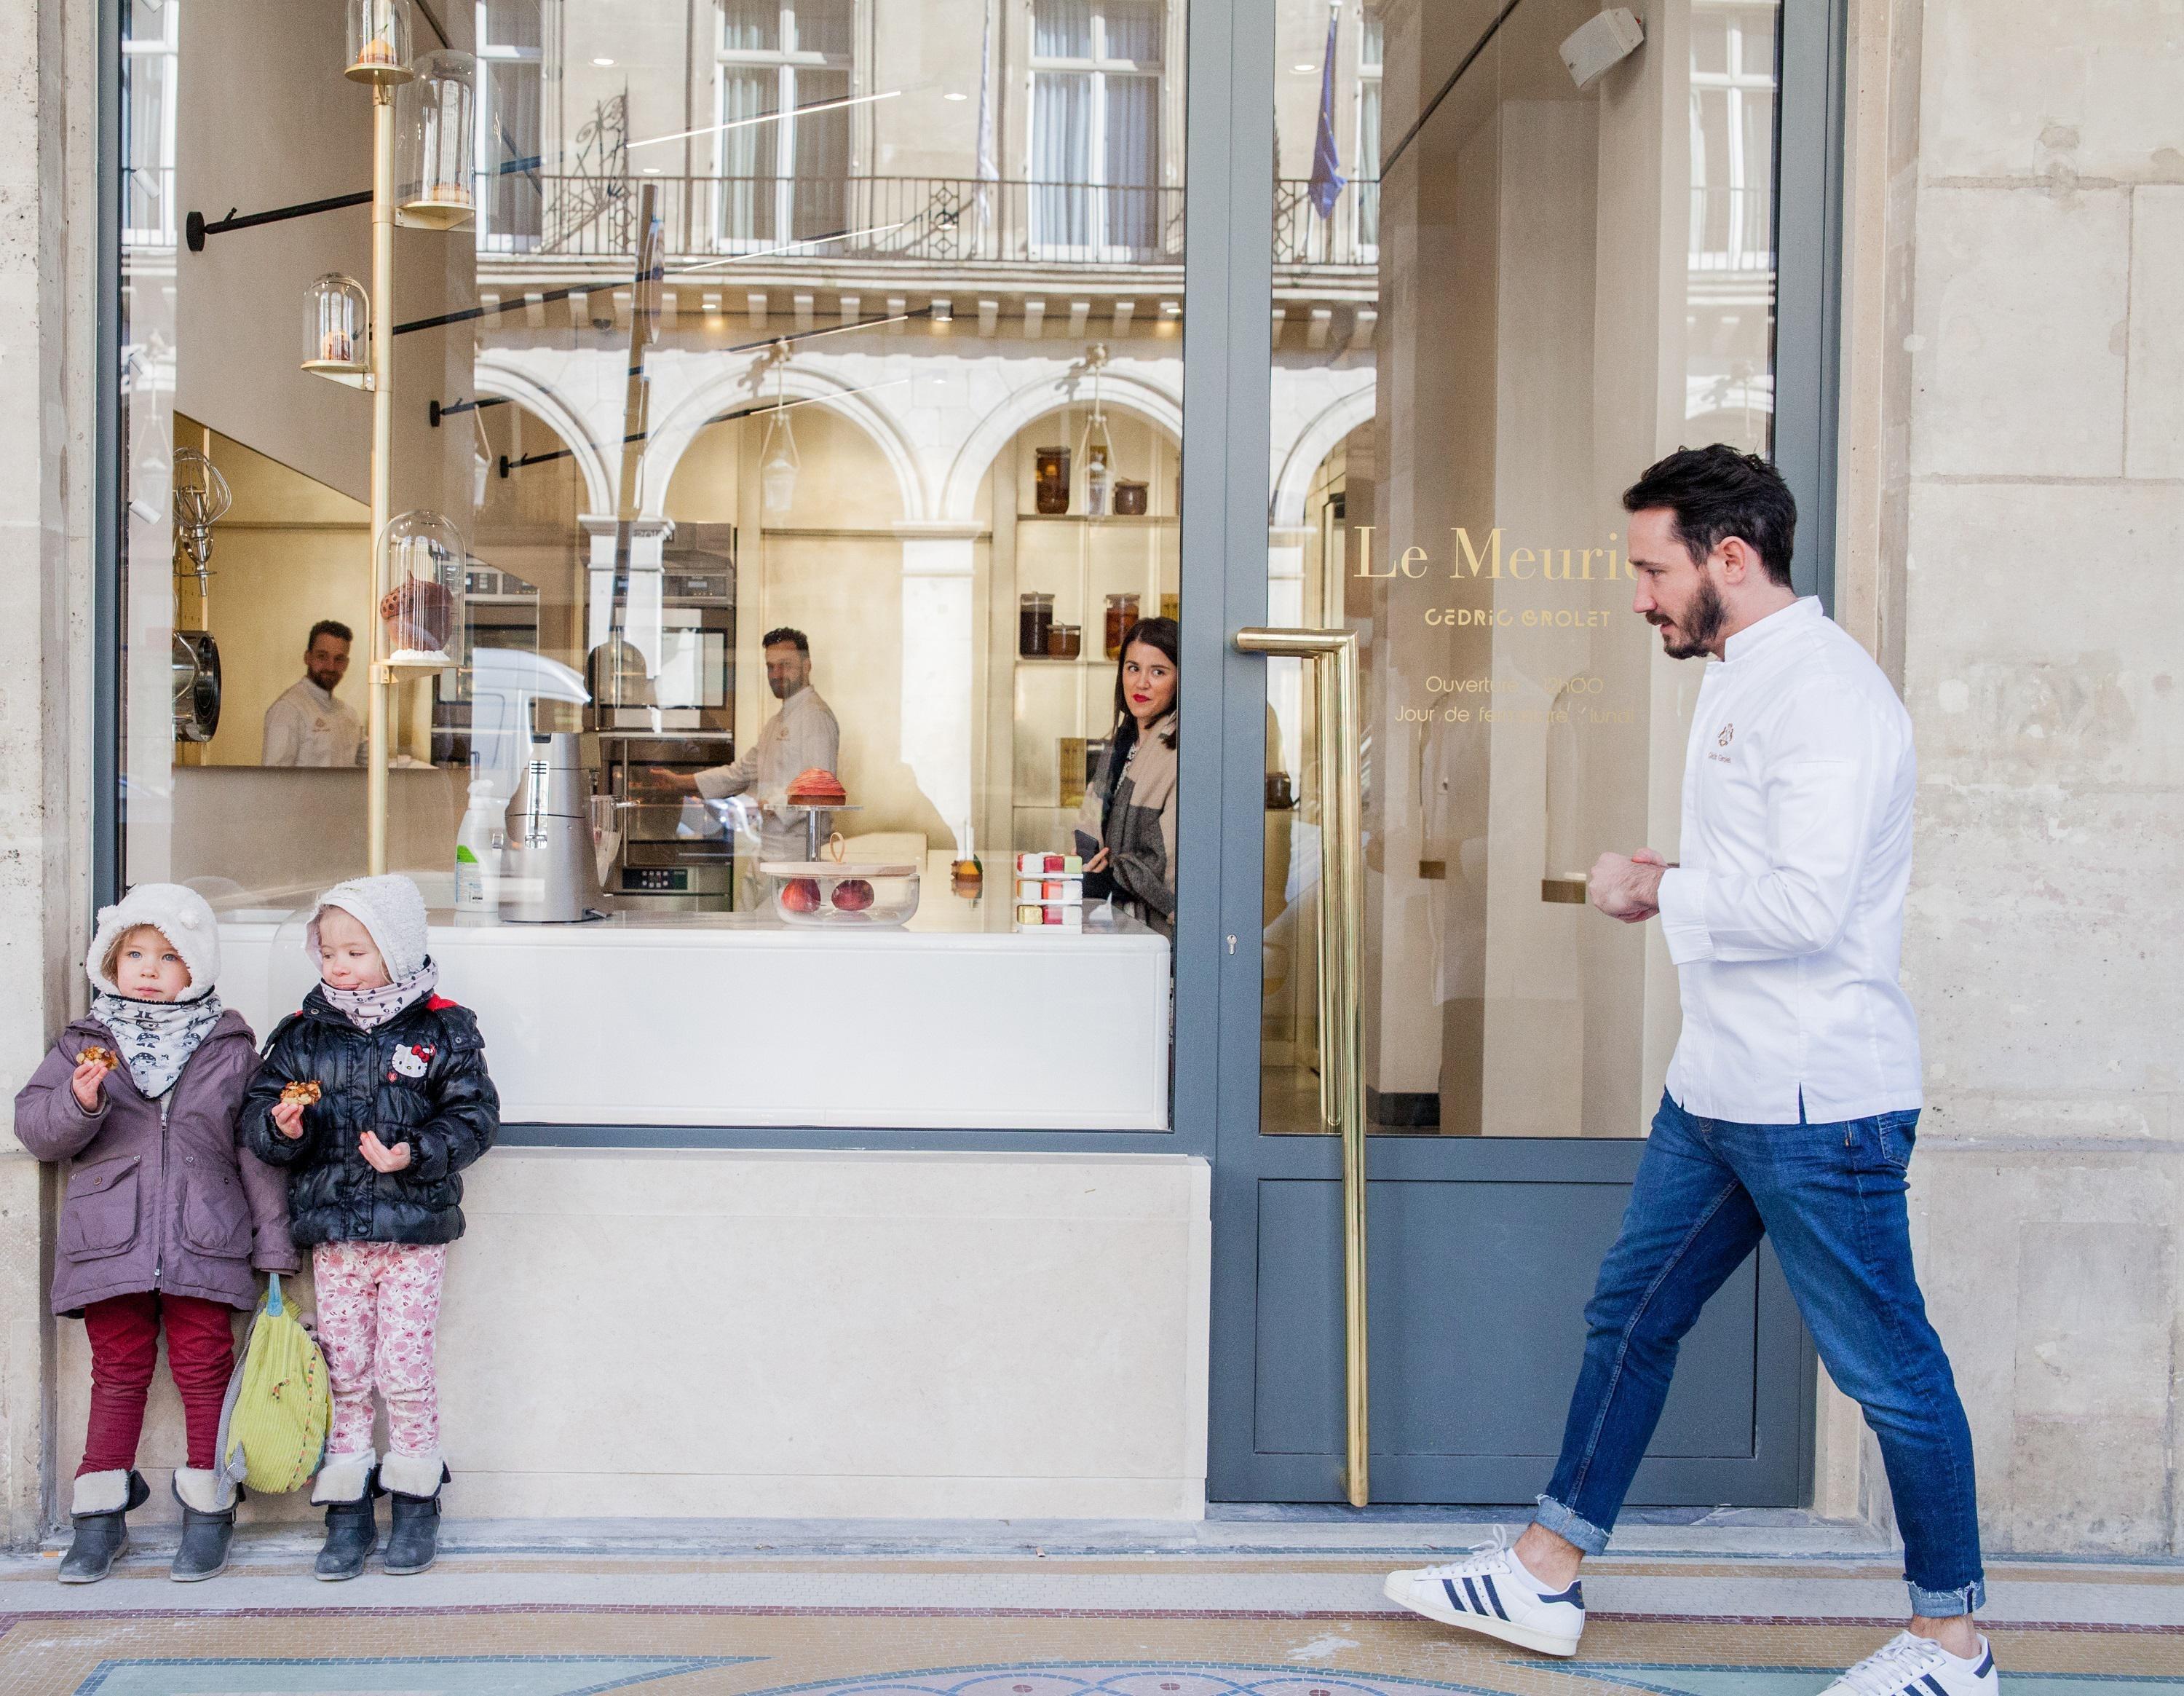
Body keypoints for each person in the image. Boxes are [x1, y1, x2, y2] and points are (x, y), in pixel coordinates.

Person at [1382, 447, 1995, 1696]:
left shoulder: (1822, 693)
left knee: (1890, 1369)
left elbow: (1814, 906)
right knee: (1633, 1313)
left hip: (1819, 1104)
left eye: (1653, 567)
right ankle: (1545, 1568)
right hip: (1720, 1088)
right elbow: (1772, 871)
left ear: (1731, 555)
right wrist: (1691, 881)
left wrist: (1655, 885)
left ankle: (1954, 1641)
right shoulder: (1741, 673)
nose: (1637, 595)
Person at [14, 884, 297, 1585]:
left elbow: (255, 1155)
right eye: (134, 952)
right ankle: (99, 1516)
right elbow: (36, 1129)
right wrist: (79, 1100)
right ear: (109, 963)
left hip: (207, 1235)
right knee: (118, 1371)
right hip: (110, 1240)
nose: (148, 966)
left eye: (168, 956)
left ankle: (208, 1510)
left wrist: (273, 1247)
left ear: (196, 968)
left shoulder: (230, 1048)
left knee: (204, 1368)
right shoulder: (85, 1043)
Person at [242, 875, 499, 1581]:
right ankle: (347, 1508)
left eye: (355, 950)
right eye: (328, 951)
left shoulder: (443, 1027)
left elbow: (474, 1117)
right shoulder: (303, 1034)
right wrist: (280, 1124)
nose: (338, 965)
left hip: (412, 1234)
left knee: (405, 1372)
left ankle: (416, 1502)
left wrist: (414, 1153)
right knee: (346, 1372)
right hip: (336, 1235)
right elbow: (259, 1117)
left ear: (396, 949)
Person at [659, 627, 841, 891]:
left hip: (797, 859)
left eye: (785, 665)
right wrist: (679, 782)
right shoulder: (776, 722)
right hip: (767, 853)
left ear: (807, 666)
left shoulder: (815, 717)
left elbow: (821, 788)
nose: (776, 674)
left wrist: (770, 803)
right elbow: (739, 774)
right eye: (770, 667)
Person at [1075, 615, 1179, 937]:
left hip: (1162, 936)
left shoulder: (1183, 753)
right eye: (1133, 668)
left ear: (1180, 679)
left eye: (1158, 672)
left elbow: (1174, 860)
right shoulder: (1120, 744)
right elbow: (1088, 830)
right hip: (1113, 924)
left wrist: (1109, 877)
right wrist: (1087, 868)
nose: (1141, 683)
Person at [263, 620, 364, 768]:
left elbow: (375, 764)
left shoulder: (349, 715)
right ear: (308, 657)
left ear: (346, 663)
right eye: (322, 656)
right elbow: (274, 781)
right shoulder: (288, 710)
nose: (331, 666)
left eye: (339, 659)